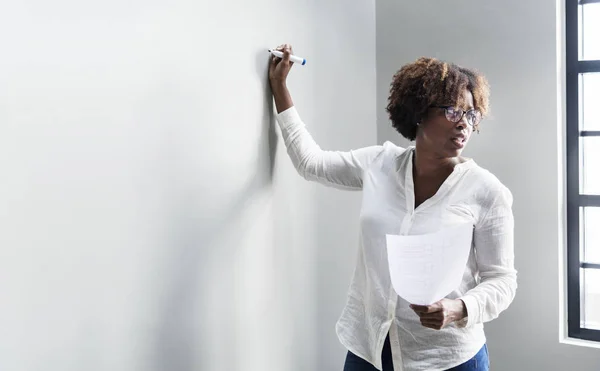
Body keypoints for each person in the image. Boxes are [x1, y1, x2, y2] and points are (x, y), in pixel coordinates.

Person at [268, 44, 517, 371]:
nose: (464, 124)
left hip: (447, 358)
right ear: (419, 111)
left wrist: (459, 308)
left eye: (471, 114)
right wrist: (280, 89)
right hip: (368, 349)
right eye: (453, 111)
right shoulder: (379, 163)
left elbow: (502, 281)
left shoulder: (487, 191)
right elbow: (311, 164)